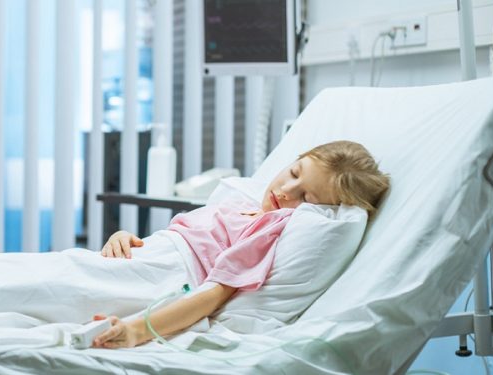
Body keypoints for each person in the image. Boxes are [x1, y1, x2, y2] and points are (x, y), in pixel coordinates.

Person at [91, 140, 390, 349]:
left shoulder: (269, 228)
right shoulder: (239, 203)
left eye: (308, 198)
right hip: (137, 257)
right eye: (294, 172)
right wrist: (124, 236)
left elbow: (214, 294)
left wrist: (136, 330)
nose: (286, 191)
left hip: (162, 275)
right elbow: (171, 237)